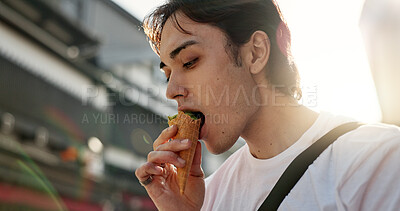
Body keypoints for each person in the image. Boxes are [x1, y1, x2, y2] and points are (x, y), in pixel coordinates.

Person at [135, 0, 400, 210]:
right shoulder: (206, 196)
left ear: (256, 52)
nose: (171, 91)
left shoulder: (378, 161)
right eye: (168, 74)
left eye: (189, 61)